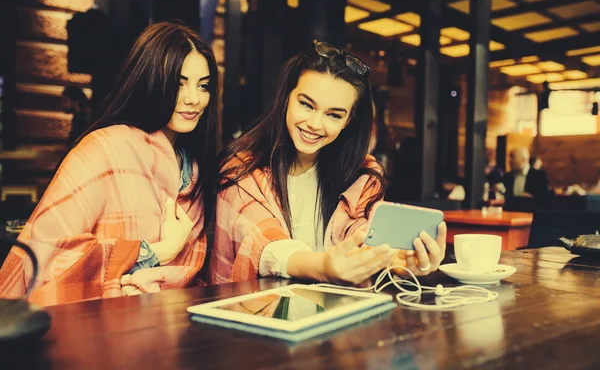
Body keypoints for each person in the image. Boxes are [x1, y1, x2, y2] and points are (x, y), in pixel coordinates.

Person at [0, 21, 220, 305]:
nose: (194, 99)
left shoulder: (197, 171)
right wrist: (158, 252)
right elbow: (45, 255)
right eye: (179, 84)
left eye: (203, 86)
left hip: (174, 326)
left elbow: (196, 274)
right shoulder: (104, 150)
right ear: (152, 81)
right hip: (95, 329)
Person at [210, 40, 446, 285]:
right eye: (306, 105)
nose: (315, 124)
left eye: (334, 115)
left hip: (332, 312)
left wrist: (400, 261)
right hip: (254, 313)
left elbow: (363, 235)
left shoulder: (362, 176)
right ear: (285, 99)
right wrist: (324, 267)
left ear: (348, 121)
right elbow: (262, 243)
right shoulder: (242, 168)